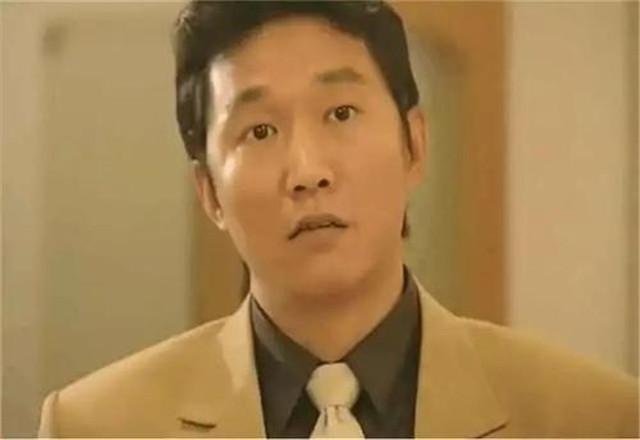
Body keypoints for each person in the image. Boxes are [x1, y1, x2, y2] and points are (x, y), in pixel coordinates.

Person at [38, 1, 638, 437]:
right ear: (210, 192)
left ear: (414, 144)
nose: (307, 171)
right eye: (260, 131)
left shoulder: (594, 418)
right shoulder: (95, 426)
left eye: (342, 113)